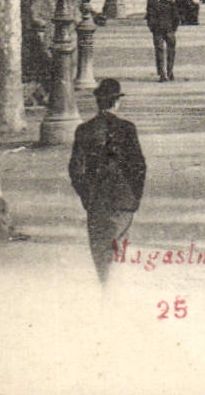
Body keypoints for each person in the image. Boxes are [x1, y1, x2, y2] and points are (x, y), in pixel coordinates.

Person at [68, 79, 147, 283]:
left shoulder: (84, 130)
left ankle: (105, 288)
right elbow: (139, 166)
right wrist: (134, 197)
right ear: (117, 102)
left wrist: (87, 196)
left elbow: (75, 170)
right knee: (118, 249)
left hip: (97, 200)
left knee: (99, 250)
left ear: (98, 102)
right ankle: (114, 292)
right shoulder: (127, 128)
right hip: (123, 200)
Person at [145, 0, 179, 82]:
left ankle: (163, 73)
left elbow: (150, 12)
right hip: (168, 26)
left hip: (159, 25)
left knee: (160, 49)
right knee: (170, 49)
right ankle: (168, 72)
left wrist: (151, 25)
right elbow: (176, 13)